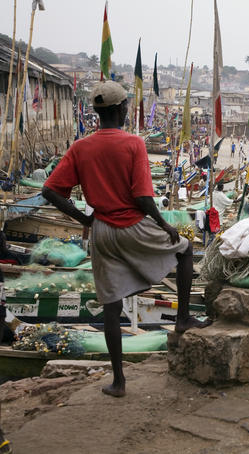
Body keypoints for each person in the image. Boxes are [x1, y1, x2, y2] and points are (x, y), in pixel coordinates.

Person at [42, 80, 209, 398]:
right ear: (120, 110)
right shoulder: (133, 144)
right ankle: (184, 318)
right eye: (127, 106)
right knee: (185, 250)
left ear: (96, 112)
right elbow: (144, 197)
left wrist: (85, 219)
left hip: (102, 230)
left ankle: (118, 381)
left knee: (110, 304)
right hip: (131, 224)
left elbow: (50, 190)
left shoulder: (80, 147)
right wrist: (164, 224)